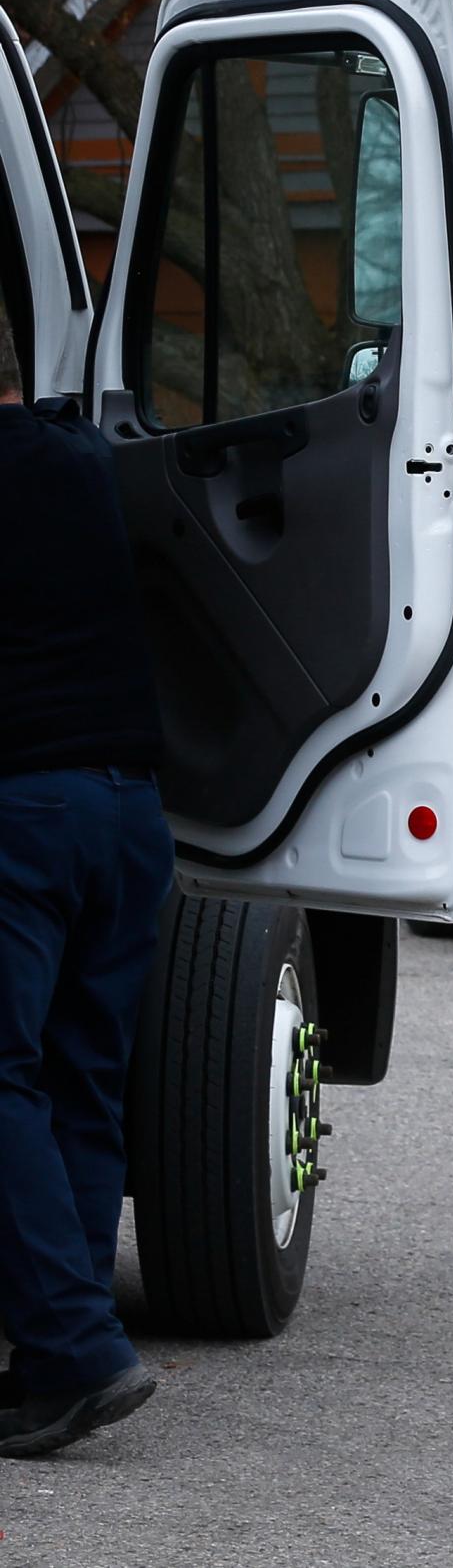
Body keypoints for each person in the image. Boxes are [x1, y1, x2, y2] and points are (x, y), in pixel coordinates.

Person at [0, 323, 172, 1457]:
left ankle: (77, 1345)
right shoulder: (87, 462)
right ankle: (59, 1355)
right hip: (127, 814)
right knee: (79, 1083)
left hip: (20, 811)